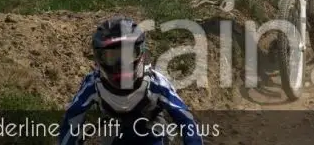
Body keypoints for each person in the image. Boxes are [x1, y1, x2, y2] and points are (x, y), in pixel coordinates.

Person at [58, 16, 204, 145]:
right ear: (99, 58)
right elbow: (72, 120)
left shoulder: (156, 83)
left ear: (140, 52)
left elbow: (186, 121)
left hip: (152, 132)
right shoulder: (94, 85)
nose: (121, 64)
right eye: (112, 57)